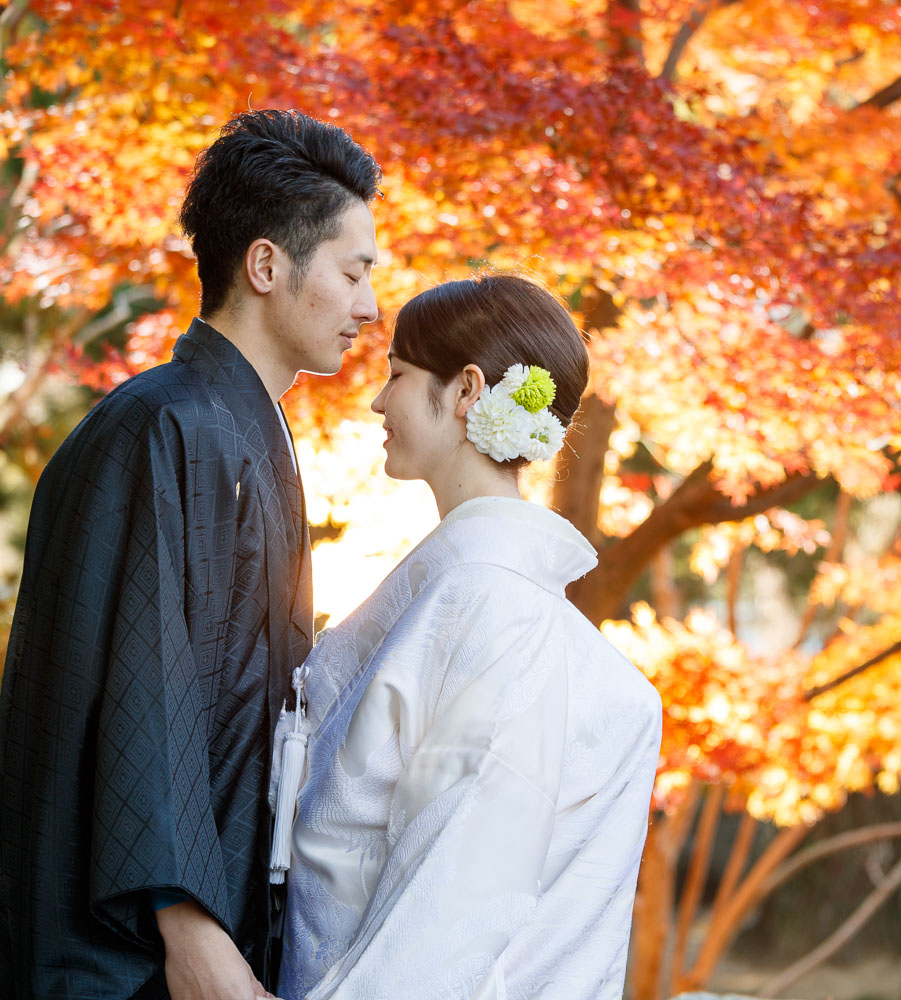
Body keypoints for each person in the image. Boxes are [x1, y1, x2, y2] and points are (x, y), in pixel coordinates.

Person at [0, 109, 381, 1000]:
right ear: (266, 265)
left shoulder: (239, 434)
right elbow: (143, 688)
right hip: (132, 949)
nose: (369, 307)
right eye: (353, 271)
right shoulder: (162, 428)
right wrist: (189, 926)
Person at [274, 274, 663, 999]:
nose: (377, 400)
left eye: (396, 374)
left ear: (466, 391)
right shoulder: (482, 594)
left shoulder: (493, 606)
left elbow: (454, 897)